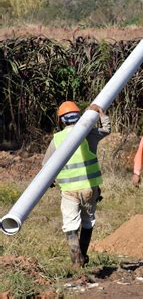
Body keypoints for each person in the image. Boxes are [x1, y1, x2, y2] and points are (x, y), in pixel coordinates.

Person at [43, 101, 110, 268]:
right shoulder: (88, 134)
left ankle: (76, 261)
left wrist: (50, 181)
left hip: (68, 190)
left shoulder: (57, 139)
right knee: (88, 221)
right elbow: (106, 130)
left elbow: (47, 166)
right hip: (90, 188)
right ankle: (84, 255)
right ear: (79, 116)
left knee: (70, 224)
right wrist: (101, 114)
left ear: (61, 120)